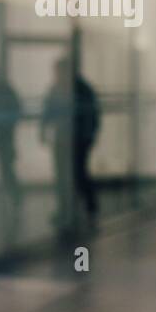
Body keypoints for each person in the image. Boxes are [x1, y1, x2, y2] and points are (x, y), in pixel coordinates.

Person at [40, 57, 100, 226]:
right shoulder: (56, 89)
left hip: (79, 138)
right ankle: (65, 210)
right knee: (61, 175)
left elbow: (91, 114)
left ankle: (90, 208)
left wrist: (89, 136)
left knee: (79, 173)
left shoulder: (82, 89)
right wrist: (43, 130)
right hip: (62, 138)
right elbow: (48, 111)